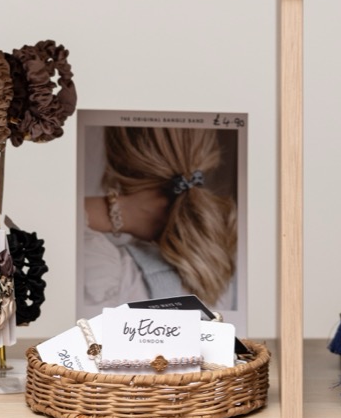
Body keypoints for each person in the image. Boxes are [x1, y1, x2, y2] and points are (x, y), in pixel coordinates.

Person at [82, 126, 238, 312]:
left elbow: (51, 216)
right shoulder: (228, 254)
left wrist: (120, 209)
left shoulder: (103, 270)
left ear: (117, 159)